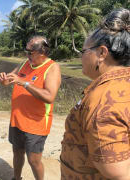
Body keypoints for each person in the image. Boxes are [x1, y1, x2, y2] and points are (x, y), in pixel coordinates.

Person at [60, 8, 130, 180]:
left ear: (101, 53)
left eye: (83, 52)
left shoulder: (104, 102)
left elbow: (118, 173)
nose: (80, 57)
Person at [0, 36, 61, 180]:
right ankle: (16, 177)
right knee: (17, 152)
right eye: (26, 51)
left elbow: (49, 96)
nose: (27, 55)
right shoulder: (24, 63)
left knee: (33, 160)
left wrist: (24, 83)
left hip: (36, 124)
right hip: (17, 120)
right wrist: (4, 80)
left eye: (30, 52)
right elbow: (10, 80)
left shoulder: (52, 68)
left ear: (42, 52)